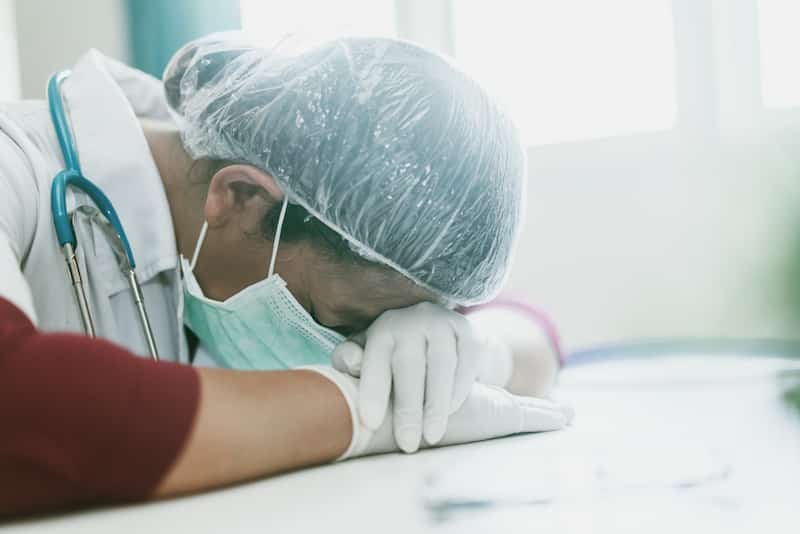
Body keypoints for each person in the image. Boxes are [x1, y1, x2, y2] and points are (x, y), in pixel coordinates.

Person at [0, 34, 568, 518]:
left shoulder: (319, 227)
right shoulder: (16, 168)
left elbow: (535, 328)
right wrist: (358, 412)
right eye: (336, 318)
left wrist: (478, 352)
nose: (347, 345)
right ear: (241, 197)